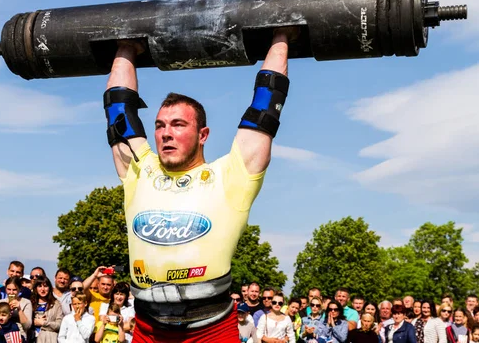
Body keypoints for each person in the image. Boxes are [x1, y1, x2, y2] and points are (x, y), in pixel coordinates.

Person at [105, 27, 295, 342]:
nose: (166, 133)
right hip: (148, 329)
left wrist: (281, 35)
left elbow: (265, 105)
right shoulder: (141, 172)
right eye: (160, 126)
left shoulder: (229, 176)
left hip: (210, 331)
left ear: (203, 135)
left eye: (178, 125)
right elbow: (117, 108)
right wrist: (125, 45)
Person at [31, 276, 63, 343]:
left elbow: (59, 325)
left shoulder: (56, 304)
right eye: (39, 286)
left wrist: (43, 323)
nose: (42, 289)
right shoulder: (30, 303)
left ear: (49, 288)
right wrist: (34, 322)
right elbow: (25, 323)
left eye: (45, 286)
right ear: (36, 288)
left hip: (49, 339)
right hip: (32, 338)